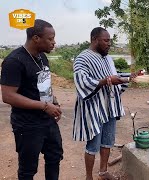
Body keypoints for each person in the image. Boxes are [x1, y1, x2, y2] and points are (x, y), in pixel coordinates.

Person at [1, 19, 63, 180]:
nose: (54, 42)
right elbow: (8, 96)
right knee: (28, 169)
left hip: (47, 120)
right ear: (36, 38)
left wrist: (53, 101)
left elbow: (43, 83)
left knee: (54, 157)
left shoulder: (42, 57)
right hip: (27, 124)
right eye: (50, 39)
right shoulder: (14, 61)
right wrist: (44, 106)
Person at [72, 27, 136, 180]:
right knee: (93, 145)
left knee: (107, 141)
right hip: (94, 109)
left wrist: (130, 77)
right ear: (94, 39)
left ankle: (103, 171)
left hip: (110, 107)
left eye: (110, 41)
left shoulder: (107, 58)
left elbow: (114, 76)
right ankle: (89, 177)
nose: (109, 44)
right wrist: (105, 81)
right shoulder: (82, 58)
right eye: (106, 40)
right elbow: (82, 82)